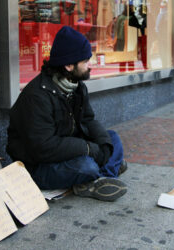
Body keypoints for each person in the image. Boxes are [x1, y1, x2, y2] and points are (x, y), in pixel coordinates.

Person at [7, 26, 128, 202]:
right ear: (69, 65)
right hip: (38, 165)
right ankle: (105, 171)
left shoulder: (77, 86)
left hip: (66, 149)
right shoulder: (37, 96)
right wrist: (87, 148)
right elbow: (43, 148)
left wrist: (102, 146)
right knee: (86, 166)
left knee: (112, 139)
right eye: (86, 61)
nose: (90, 65)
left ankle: (101, 177)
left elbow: (88, 120)